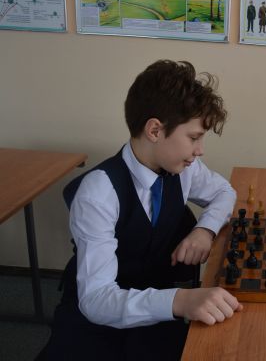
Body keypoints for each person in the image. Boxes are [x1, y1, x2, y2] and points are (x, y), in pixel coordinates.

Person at [38, 60, 243, 360]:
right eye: (194, 137)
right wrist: (179, 302)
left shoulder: (186, 168)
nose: (200, 150)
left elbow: (225, 192)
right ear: (155, 130)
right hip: (99, 317)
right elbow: (96, 300)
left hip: (157, 307)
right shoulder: (98, 193)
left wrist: (204, 230)